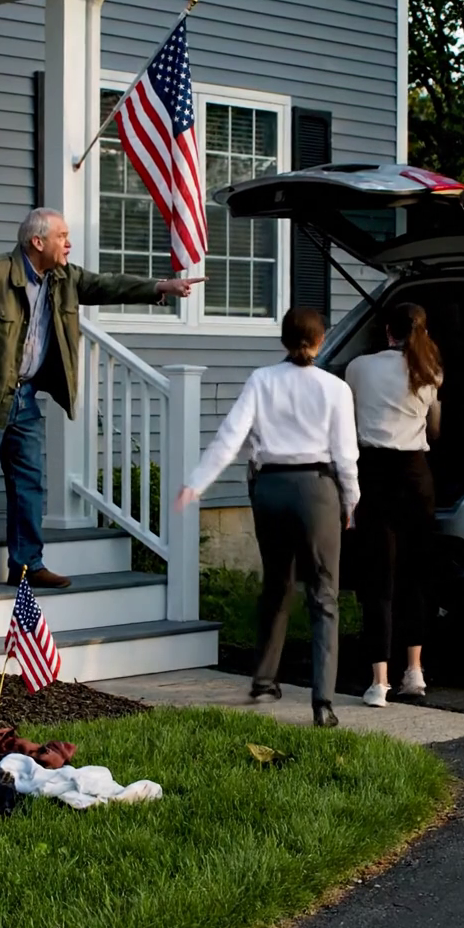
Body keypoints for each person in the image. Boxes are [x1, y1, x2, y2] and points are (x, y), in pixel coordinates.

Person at [0, 208, 204, 595]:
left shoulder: (64, 278)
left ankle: (27, 564)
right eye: (62, 236)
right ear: (37, 242)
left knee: (29, 483)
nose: (69, 244)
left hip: (24, 397)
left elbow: (108, 285)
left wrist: (161, 287)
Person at [177, 306, 359, 728]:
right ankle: (323, 702)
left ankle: (263, 679)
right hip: (317, 489)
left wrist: (197, 483)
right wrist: (351, 501)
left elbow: (230, 437)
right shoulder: (335, 388)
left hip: (270, 489)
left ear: (283, 339)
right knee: (324, 594)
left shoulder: (261, 380)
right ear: (322, 340)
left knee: (276, 582)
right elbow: (346, 455)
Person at [345, 301, 443, 708]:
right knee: (414, 575)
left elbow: (347, 422)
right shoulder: (430, 372)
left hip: (373, 475)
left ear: (387, 331)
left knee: (377, 577)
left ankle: (377, 682)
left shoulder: (358, 368)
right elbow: (434, 431)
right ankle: (414, 673)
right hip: (416, 476)